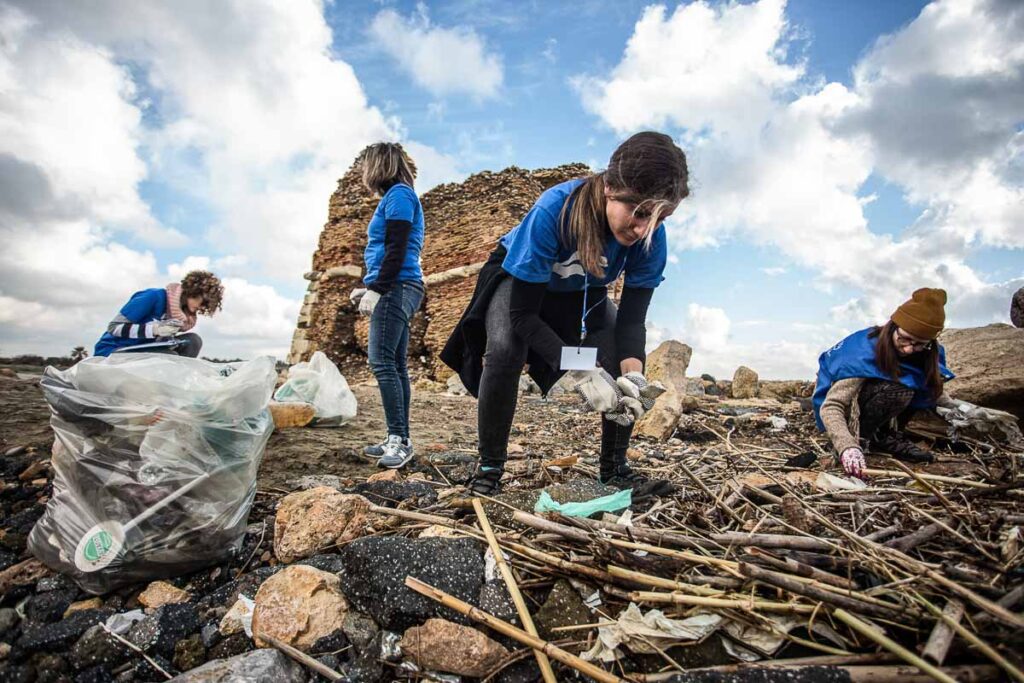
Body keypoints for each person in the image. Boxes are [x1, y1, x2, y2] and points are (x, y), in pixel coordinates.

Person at [441, 131, 689, 496]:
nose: (643, 229)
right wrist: (582, 368)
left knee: (616, 354)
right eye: (638, 213)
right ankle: (489, 468)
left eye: (660, 217)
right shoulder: (554, 210)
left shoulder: (650, 237)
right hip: (521, 287)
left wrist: (633, 376)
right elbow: (523, 316)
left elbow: (632, 321)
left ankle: (615, 469)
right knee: (506, 349)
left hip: (579, 293)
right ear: (610, 188)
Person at [812, 288, 957, 478]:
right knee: (898, 390)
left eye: (919, 344)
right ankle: (862, 438)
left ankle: (885, 436)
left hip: (881, 402)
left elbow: (933, 391)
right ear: (893, 326)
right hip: (850, 412)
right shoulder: (861, 353)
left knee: (913, 385)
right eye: (904, 339)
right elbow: (832, 406)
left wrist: (967, 411)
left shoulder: (926, 353)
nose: (909, 349)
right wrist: (846, 446)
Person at [350, 143, 426, 469]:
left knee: (382, 363)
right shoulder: (397, 196)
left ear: (378, 165)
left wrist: (377, 288)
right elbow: (391, 250)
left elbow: (396, 247)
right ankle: (398, 437)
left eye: (365, 166)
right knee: (395, 365)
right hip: (398, 284)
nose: (363, 173)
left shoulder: (398, 195)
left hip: (396, 286)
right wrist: (367, 286)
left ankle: (399, 439)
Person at [94, 270, 224, 358]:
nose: (201, 307)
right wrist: (155, 330)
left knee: (193, 341)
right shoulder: (153, 296)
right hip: (113, 352)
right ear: (193, 291)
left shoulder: (181, 316)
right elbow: (113, 328)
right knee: (167, 357)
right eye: (203, 302)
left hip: (141, 351)